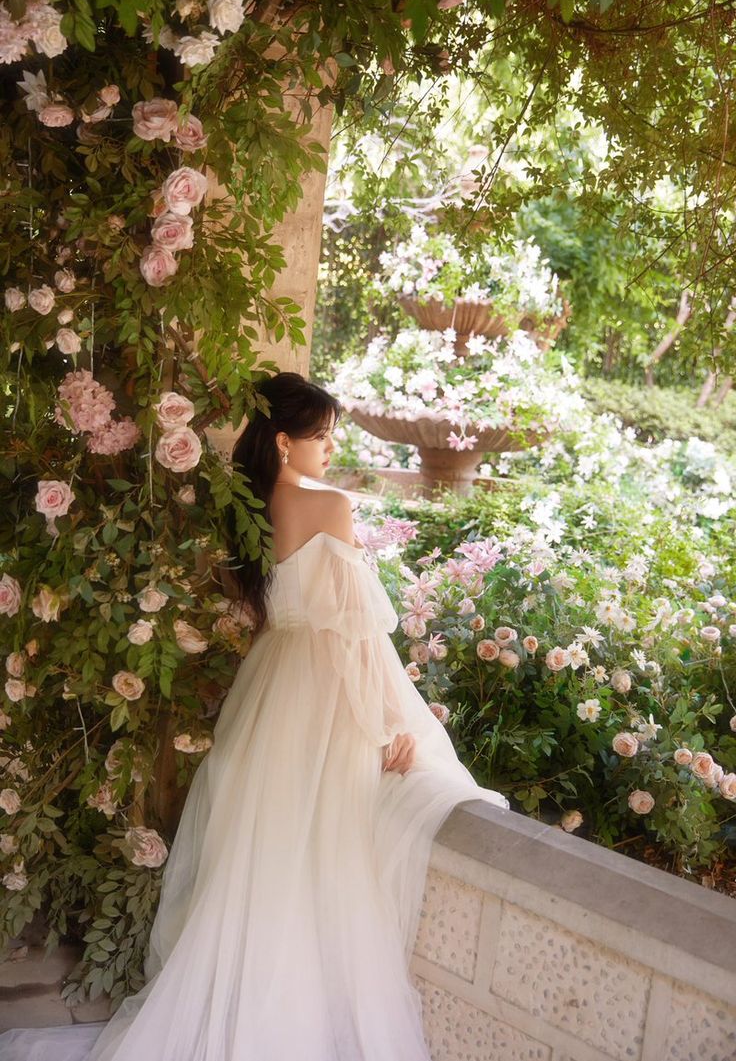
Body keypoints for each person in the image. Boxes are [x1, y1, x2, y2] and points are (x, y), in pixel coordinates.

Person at [0, 372, 508, 1061]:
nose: (331, 448)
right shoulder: (329, 506)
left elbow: (274, 612)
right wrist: (390, 722)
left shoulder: (251, 507)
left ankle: (246, 999)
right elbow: (353, 631)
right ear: (282, 439)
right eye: (321, 435)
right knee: (317, 850)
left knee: (262, 846)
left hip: (269, 685)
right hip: (322, 688)